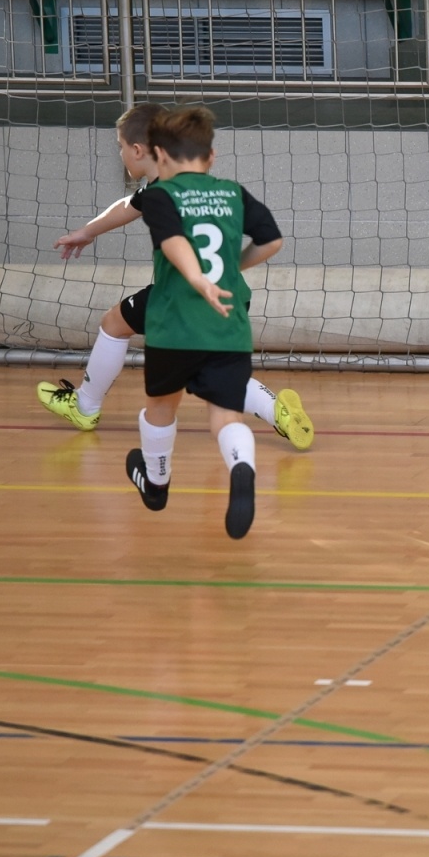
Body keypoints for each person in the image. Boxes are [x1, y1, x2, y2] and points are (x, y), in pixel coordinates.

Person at [36, 102, 312, 451]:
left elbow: (156, 228)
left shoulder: (161, 194)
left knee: (115, 325)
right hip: (228, 294)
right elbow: (128, 206)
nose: (120, 154)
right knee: (216, 371)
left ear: (139, 150)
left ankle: (86, 406)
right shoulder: (205, 187)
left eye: (121, 147)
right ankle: (277, 410)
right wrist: (87, 231)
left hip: (179, 297)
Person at [122, 105, 283, 539]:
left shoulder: (161, 195)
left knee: (161, 407)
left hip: (174, 328)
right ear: (211, 156)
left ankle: (157, 484)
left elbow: (173, 240)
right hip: (228, 325)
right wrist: (229, 269)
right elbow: (272, 240)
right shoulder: (233, 193)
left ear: (159, 154)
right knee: (226, 417)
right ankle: (242, 467)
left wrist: (196, 278)